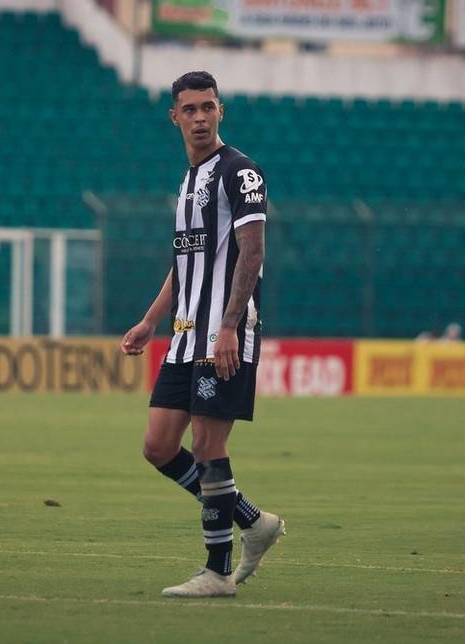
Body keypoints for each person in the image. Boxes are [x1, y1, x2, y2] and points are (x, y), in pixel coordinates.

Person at [119, 71, 284, 598]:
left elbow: (252, 253)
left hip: (224, 335)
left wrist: (231, 325)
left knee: (208, 446)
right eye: (188, 109)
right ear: (174, 117)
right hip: (186, 336)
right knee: (158, 446)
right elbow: (184, 264)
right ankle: (254, 522)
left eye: (207, 107)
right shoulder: (189, 182)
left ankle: (217, 572)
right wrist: (149, 320)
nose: (198, 118)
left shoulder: (241, 172)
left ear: (221, 111)